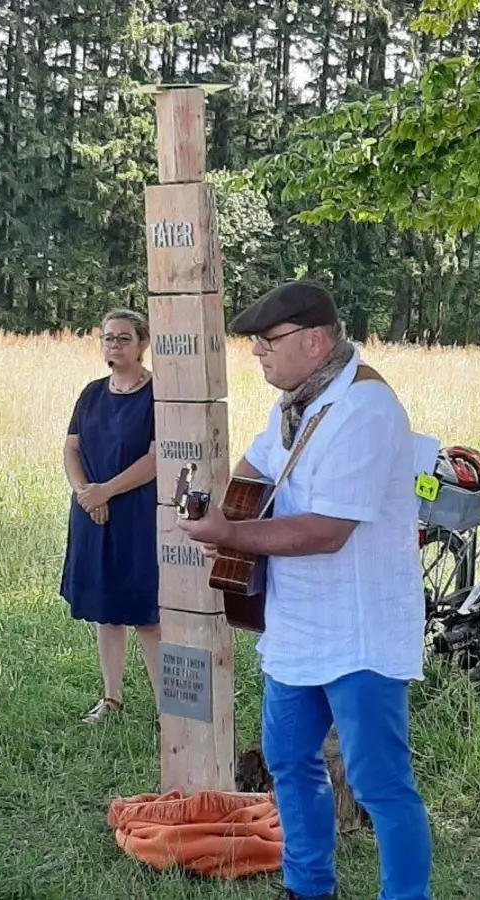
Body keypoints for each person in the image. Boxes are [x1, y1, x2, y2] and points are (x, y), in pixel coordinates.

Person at [178, 281, 432, 900]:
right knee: (289, 762)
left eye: (269, 341)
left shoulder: (364, 411)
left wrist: (233, 533)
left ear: (314, 341)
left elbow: (327, 531)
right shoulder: (298, 402)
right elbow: (258, 465)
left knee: (379, 785)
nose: (258, 353)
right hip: (299, 625)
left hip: (360, 632)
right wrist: (226, 515)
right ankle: (307, 888)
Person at [59, 308, 162, 725]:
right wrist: (86, 492)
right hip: (92, 512)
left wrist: (108, 490)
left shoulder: (158, 394)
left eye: (123, 338)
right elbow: (71, 447)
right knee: (106, 609)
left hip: (137, 513)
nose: (114, 345)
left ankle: (168, 709)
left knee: (146, 613)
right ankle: (111, 698)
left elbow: (156, 458)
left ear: (142, 344)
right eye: (108, 338)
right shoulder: (91, 394)